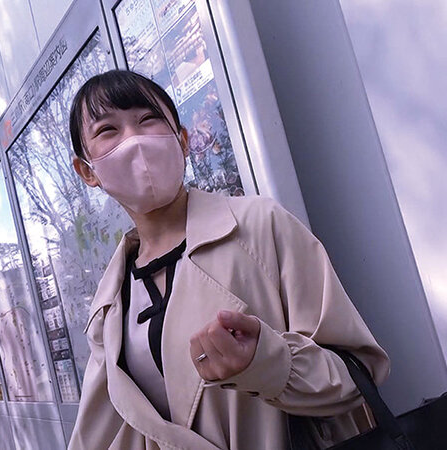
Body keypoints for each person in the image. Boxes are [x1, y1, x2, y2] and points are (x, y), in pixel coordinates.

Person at [67, 70, 390, 449]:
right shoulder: (111, 301)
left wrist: (266, 363)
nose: (133, 140)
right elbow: (108, 428)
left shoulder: (260, 225)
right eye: (108, 130)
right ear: (87, 171)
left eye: (148, 119)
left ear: (182, 140)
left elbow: (359, 372)